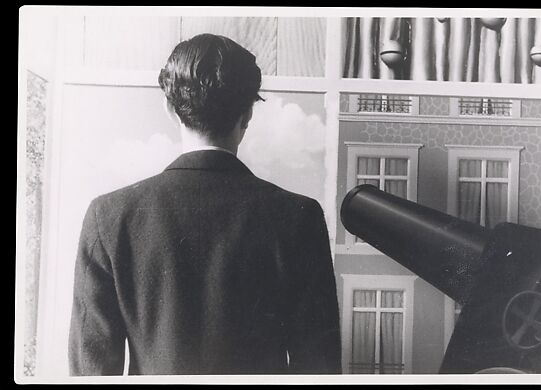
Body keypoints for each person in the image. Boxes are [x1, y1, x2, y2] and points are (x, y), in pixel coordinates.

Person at [68, 33, 341, 375]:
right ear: (247, 114)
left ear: (170, 109)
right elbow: (319, 368)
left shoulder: (107, 216)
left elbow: (89, 375)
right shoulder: (300, 217)